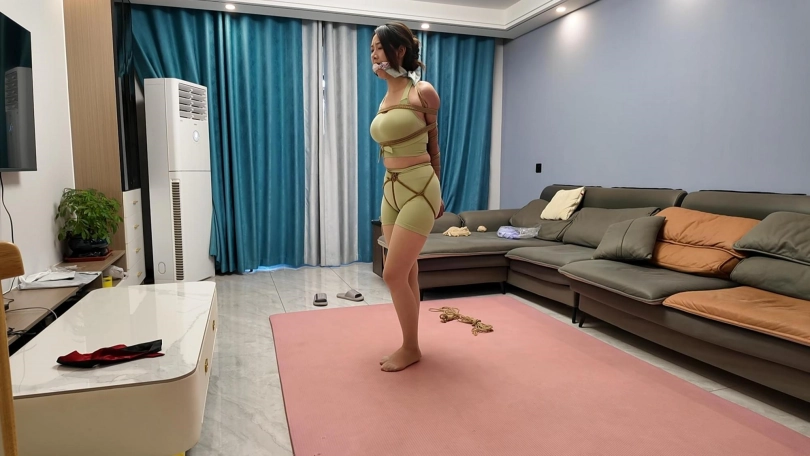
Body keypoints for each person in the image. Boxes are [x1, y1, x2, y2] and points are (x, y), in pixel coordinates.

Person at [369, 22, 444, 372]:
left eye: (379, 47)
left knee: (392, 274)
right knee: (407, 271)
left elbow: (433, 146)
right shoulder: (386, 97)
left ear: (399, 50)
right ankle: (411, 344)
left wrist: (439, 193)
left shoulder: (423, 91)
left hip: (420, 189)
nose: (373, 54)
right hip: (391, 189)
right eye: (371, 49)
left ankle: (410, 347)